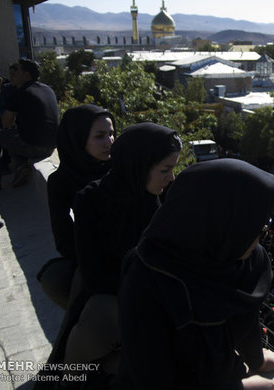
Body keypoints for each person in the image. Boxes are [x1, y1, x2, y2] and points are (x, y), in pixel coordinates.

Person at [35, 122, 181, 390]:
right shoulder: (91, 200)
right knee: (100, 319)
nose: (171, 177)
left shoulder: (164, 197)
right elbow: (94, 274)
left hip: (151, 300)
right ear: (139, 166)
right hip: (113, 295)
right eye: (165, 170)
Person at [118, 158, 274, 389]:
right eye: (252, 225)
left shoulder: (249, 260)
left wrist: (255, 358)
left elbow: (247, 317)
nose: (259, 237)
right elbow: (152, 379)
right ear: (220, 222)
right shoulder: (147, 278)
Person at [37, 104, 115, 309]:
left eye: (111, 134)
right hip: (90, 256)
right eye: (99, 136)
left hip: (128, 250)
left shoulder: (118, 169)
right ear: (78, 138)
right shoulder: (61, 181)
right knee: (57, 278)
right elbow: (63, 236)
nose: (109, 142)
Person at [0, 58, 58, 190]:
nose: (12, 76)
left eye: (16, 72)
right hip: (51, 145)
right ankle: (21, 166)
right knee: (15, 134)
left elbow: (6, 123)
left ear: (26, 75)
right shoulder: (48, 89)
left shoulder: (19, 92)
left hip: (34, 147)